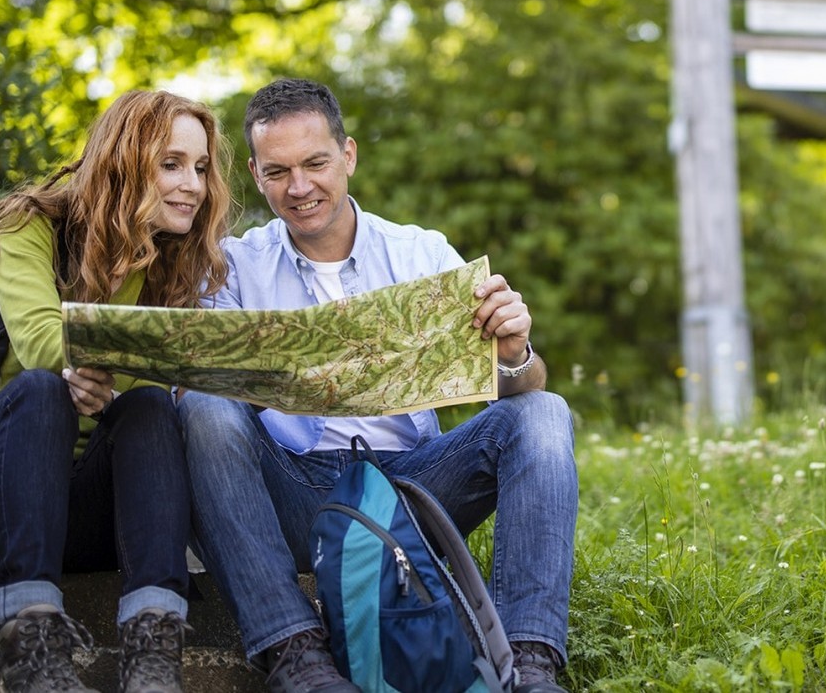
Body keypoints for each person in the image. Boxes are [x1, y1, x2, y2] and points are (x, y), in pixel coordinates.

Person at [178, 78, 576, 693]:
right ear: (256, 176)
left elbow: (520, 388)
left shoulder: (422, 254)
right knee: (201, 403)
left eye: (316, 163)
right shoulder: (232, 266)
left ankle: (528, 662)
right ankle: (294, 654)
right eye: (278, 171)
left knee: (545, 411)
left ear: (349, 156)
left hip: (415, 484)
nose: (301, 187)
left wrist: (515, 353)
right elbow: (203, 394)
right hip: (295, 484)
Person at [0, 90, 235, 693]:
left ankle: (154, 653)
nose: (193, 184)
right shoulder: (28, 225)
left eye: (201, 167)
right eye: (172, 164)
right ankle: (31, 652)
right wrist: (118, 364)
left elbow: (160, 379)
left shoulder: (168, 262)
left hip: (80, 517)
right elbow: (40, 344)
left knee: (149, 408)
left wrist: (131, 380)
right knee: (40, 390)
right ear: (123, 161)